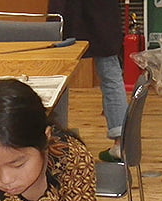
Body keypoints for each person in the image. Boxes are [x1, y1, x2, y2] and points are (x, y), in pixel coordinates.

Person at [48, 0, 128, 162]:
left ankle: (58, 141)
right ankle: (122, 144)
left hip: (67, 8)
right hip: (102, 11)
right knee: (111, 73)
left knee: (61, 72)